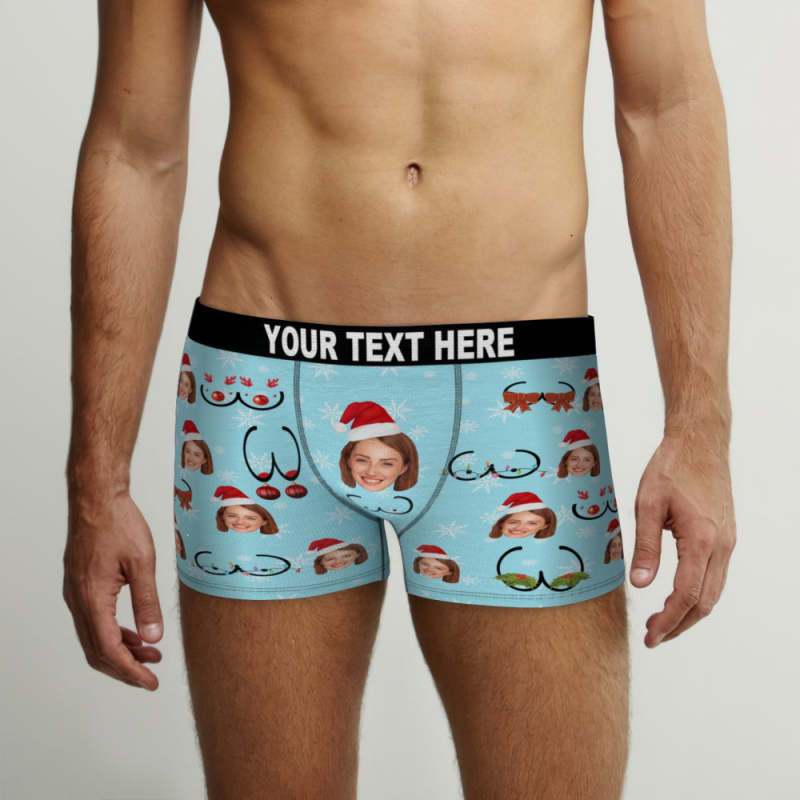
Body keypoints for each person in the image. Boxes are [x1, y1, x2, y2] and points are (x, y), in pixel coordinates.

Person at [62, 0, 737, 797]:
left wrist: (701, 428)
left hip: (517, 388)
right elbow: (135, 150)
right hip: (262, 384)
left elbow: (666, 105)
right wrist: (97, 485)